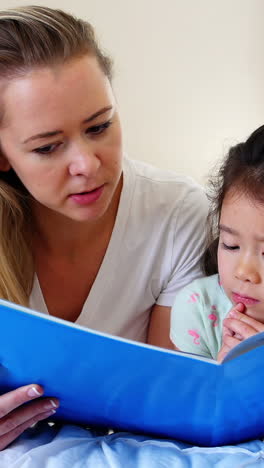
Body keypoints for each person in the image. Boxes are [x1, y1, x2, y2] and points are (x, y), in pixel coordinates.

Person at [0, 5, 208, 451]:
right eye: (49, 146)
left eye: (100, 126)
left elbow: (167, 406)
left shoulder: (176, 214)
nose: (87, 165)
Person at [170, 125, 264, 362]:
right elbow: (187, 397)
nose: (244, 273)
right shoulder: (200, 309)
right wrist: (221, 377)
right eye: (231, 245)